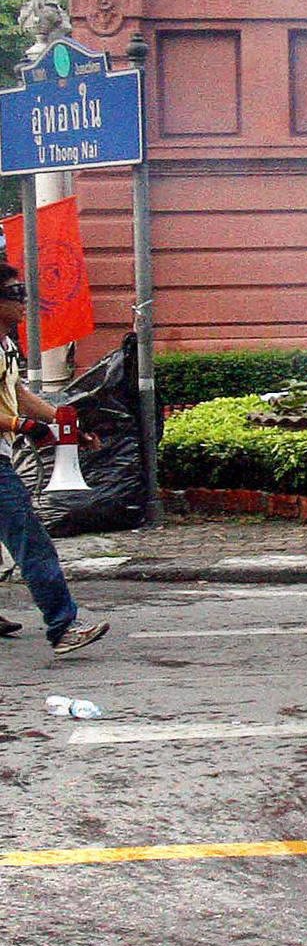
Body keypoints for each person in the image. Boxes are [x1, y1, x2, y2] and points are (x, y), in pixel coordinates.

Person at [0, 263, 108, 654]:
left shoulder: (7, 343)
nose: (23, 301)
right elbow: (14, 410)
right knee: (31, 541)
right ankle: (62, 626)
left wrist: (65, 426)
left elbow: (19, 393)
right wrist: (20, 425)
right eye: (14, 295)